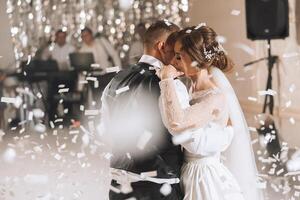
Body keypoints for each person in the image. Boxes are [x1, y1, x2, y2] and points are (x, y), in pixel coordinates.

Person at [158, 25, 264, 200]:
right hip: (188, 171)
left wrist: (167, 79)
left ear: (196, 59)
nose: (174, 61)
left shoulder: (215, 97)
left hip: (204, 178)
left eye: (179, 56)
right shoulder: (189, 87)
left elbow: (178, 122)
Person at [99, 20, 183, 199]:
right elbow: (183, 133)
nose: (179, 55)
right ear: (161, 46)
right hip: (159, 184)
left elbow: (106, 128)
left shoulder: (115, 81)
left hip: (120, 181)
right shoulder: (169, 84)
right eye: (175, 49)